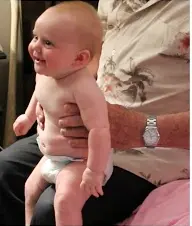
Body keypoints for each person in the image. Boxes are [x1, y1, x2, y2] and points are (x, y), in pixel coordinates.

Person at [0, 0, 189, 225]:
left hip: (154, 153)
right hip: (79, 131)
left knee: (52, 210)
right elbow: (93, 56)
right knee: (3, 172)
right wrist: (57, 91)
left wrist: (141, 129)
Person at [13, 2, 113, 226]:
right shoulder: (46, 71)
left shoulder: (84, 89)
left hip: (81, 160)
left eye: (47, 42)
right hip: (52, 156)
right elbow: (38, 95)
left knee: (65, 201)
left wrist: (94, 171)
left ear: (79, 59)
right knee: (29, 190)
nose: (35, 47)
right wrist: (28, 118)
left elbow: (100, 130)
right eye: (35, 37)